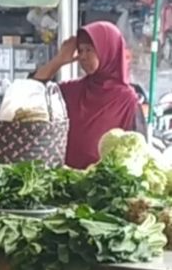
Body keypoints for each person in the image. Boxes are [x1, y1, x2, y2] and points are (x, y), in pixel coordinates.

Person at [32, 21, 145, 169]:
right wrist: (59, 60)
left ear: (108, 51)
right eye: (80, 50)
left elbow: (139, 150)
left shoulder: (127, 100)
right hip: (66, 181)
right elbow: (31, 92)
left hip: (104, 184)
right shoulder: (72, 90)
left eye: (89, 50)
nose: (83, 57)